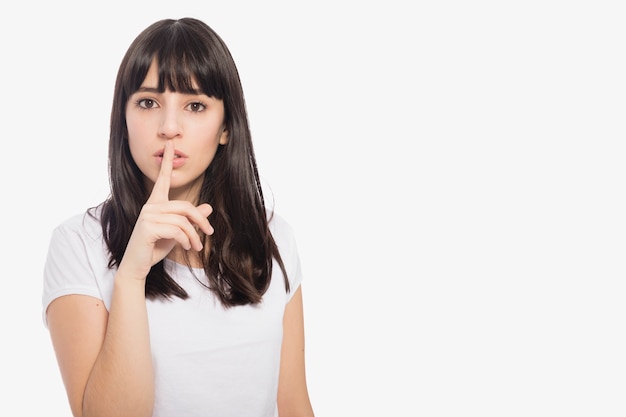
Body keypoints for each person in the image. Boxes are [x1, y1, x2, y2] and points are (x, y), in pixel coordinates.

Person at [42, 17, 315, 417]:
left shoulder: (272, 235)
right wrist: (132, 275)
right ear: (124, 118)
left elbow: (293, 404)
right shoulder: (78, 244)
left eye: (195, 105)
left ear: (226, 127)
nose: (169, 127)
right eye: (148, 103)